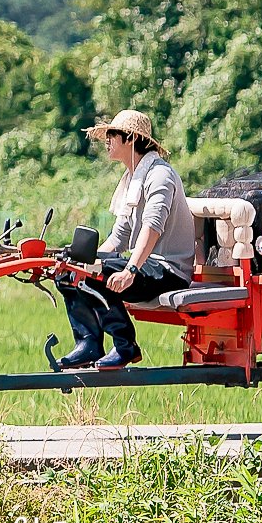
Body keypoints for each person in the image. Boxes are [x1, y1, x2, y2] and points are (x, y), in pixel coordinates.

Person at [56, 109, 195, 370]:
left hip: (167, 270)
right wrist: (81, 260)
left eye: (112, 134)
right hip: (145, 265)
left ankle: (124, 345)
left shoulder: (159, 175)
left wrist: (130, 269)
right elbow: (118, 238)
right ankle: (88, 343)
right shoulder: (133, 179)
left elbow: (152, 227)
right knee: (69, 271)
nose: (106, 140)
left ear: (130, 138)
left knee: (96, 273)